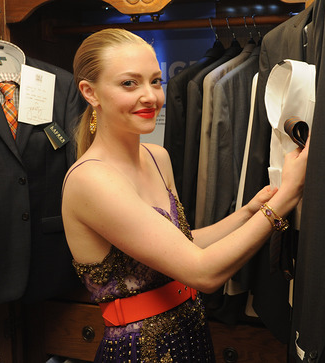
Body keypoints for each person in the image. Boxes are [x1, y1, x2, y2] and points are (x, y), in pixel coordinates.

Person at [61, 28, 308, 362]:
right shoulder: (92, 179)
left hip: (191, 334)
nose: (150, 96)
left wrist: (247, 213)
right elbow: (203, 272)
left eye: (156, 81)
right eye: (129, 84)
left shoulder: (156, 157)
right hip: (140, 352)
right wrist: (286, 196)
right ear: (91, 93)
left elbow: (182, 244)